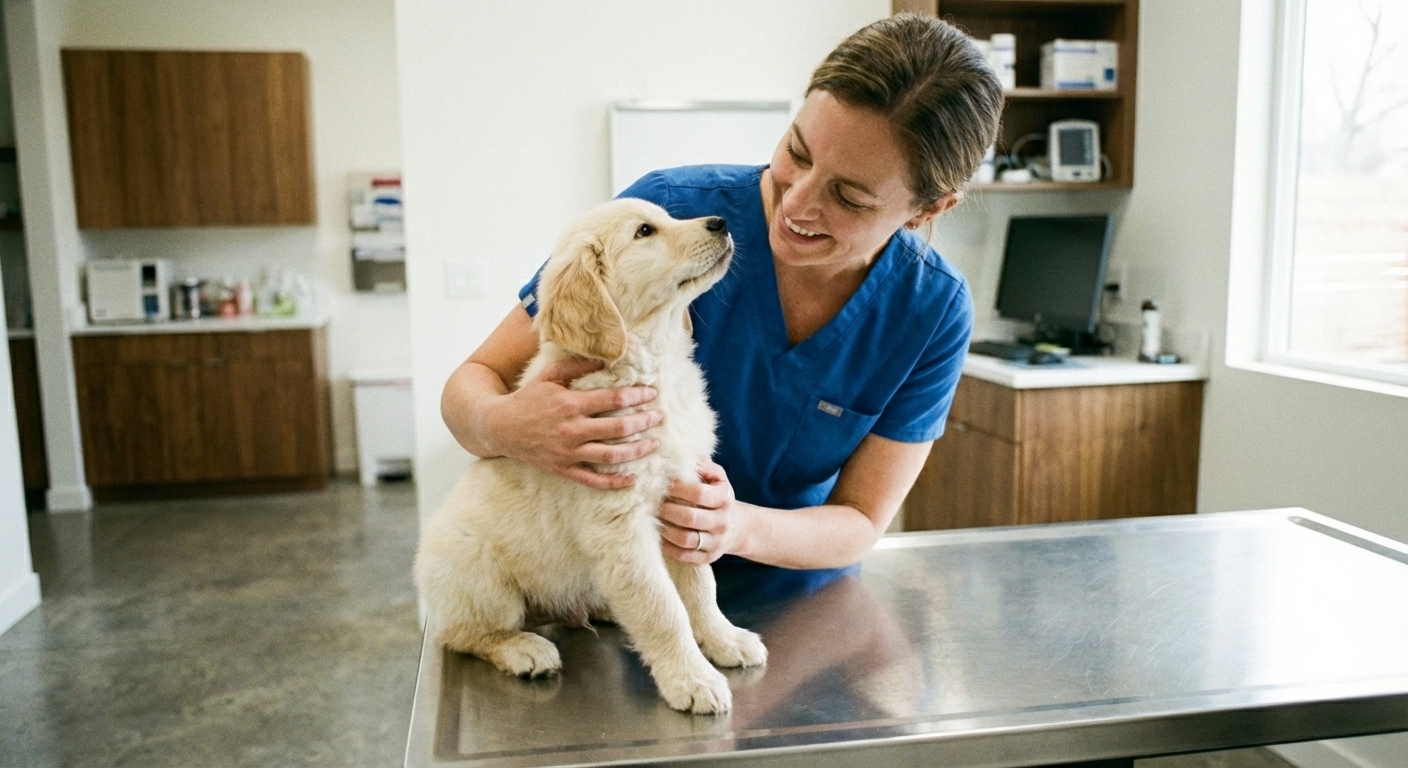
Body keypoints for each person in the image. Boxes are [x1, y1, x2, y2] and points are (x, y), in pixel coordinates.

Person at [440, 14, 1002, 600]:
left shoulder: (931, 310)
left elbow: (859, 521)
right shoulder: (668, 215)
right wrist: (502, 425)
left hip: (793, 604)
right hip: (616, 590)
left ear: (927, 208)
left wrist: (735, 526)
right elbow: (471, 383)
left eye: (848, 197)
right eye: (798, 152)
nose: (798, 203)